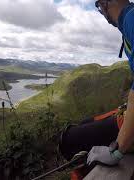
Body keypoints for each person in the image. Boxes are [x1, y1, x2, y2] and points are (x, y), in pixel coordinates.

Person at [59, 0, 134, 168]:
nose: (101, 12)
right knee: (85, 124)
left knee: (69, 139)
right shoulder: (128, 20)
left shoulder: (131, 19)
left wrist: (117, 151)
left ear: (106, 3)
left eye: (99, 7)